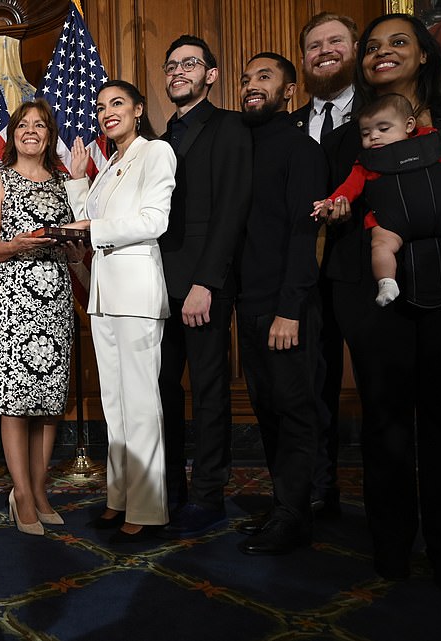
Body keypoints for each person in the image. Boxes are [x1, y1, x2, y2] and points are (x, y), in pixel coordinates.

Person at [318, 13, 441, 589]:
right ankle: (392, 550)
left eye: (398, 42)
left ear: (424, 54)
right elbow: (338, 192)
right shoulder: (354, 130)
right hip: (374, 294)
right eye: (372, 46)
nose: (382, 53)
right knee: (385, 423)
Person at [63, 80, 176, 544]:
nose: (107, 112)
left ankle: (149, 508)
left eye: (117, 104)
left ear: (138, 109)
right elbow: (87, 223)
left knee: (141, 405)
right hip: (105, 297)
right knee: (115, 404)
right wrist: (76, 181)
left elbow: (155, 220)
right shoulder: (108, 164)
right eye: (101, 106)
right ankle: (120, 496)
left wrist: (94, 225)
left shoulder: (155, 153)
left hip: (137, 294)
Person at [156, 35, 252, 539]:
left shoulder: (229, 126)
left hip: (202, 286)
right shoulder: (162, 135)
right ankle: (170, 488)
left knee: (210, 392)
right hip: (158, 285)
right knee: (163, 390)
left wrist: (207, 283)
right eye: (171, 66)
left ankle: (209, 494)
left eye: (189, 64)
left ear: (210, 75)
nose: (178, 72)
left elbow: (232, 209)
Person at [236, 52, 327, 555]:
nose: (252, 85)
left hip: (286, 307)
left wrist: (289, 309)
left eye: (264, 78)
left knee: (294, 410)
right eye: (247, 79)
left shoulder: (301, 150)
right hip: (248, 305)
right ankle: (284, 506)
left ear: (288, 91)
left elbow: (303, 236)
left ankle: (296, 515)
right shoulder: (241, 146)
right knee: (267, 410)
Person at [0, 99, 76, 536]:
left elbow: (77, 243)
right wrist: (17, 244)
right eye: (24, 124)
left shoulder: (64, 182)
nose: (32, 131)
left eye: (40, 125)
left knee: (49, 406)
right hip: (14, 299)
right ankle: (21, 494)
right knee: (16, 405)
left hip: (56, 298)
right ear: (13, 133)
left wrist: (73, 242)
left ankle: (39, 490)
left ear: (49, 134)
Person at [290, 11, 361, 522]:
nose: (325, 51)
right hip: (302, 280)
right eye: (315, 45)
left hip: (365, 269)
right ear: (304, 59)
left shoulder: (384, 114)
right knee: (311, 388)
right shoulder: (287, 126)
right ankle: (319, 489)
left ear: (354, 48)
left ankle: (393, 502)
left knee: (382, 388)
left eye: (335, 41)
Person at [313, 93, 441, 306]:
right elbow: (349, 187)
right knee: (380, 245)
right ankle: (387, 282)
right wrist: (330, 202)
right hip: (392, 223)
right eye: (366, 133)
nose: (374, 137)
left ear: (408, 125)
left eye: (384, 129)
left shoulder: (433, 140)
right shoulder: (367, 162)